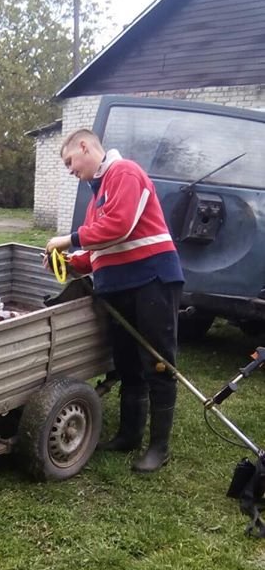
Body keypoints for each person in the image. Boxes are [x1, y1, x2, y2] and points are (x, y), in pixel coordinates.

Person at [45, 128, 184, 473]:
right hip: (118, 289)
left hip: (150, 280)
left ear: (84, 146)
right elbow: (97, 251)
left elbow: (120, 226)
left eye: (69, 161)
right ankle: (129, 434)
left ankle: (159, 447)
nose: (69, 169)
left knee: (158, 363)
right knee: (126, 363)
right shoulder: (96, 198)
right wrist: (70, 262)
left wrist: (68, 239)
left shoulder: (125, 173)